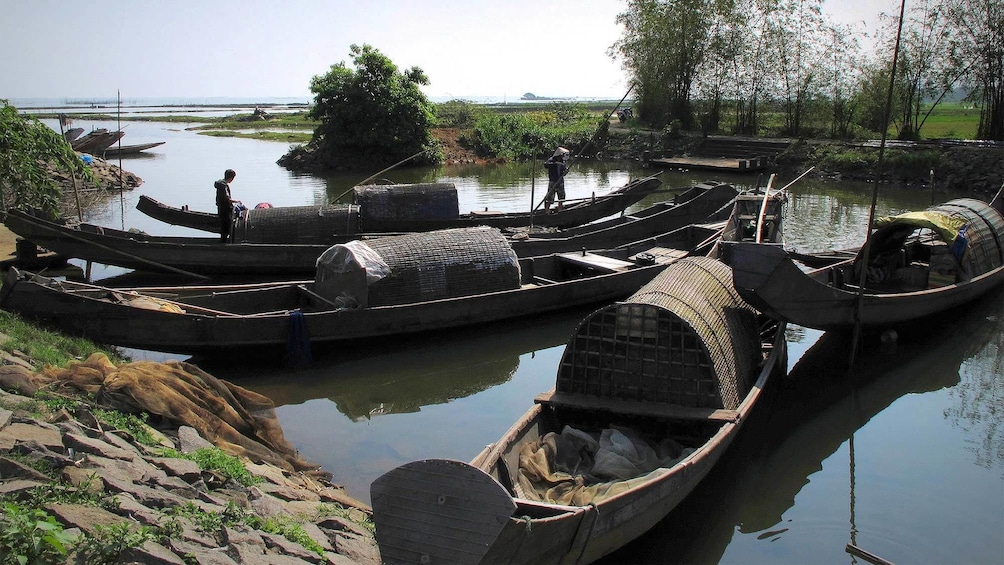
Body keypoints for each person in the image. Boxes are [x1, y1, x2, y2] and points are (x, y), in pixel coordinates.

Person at [543, 147, 570, 213]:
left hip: (560, 182)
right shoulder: (551, 160)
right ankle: (547, 210)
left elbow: (564, 172)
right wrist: (555, 164)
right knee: (550, 197)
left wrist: (565, 172)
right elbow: (546, 165)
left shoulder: (563, 162)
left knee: (561, 197)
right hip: (553, 181)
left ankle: (560, 209)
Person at [215, 169, 237, 242]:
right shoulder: (223, 186)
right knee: (226, 227)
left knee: (224, 227)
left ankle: (223, 241)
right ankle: (224, 244)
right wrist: (237, 201)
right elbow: (227, 198)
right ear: (231, 178)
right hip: (225, 210)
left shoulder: (221, 184)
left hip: (221, 209)